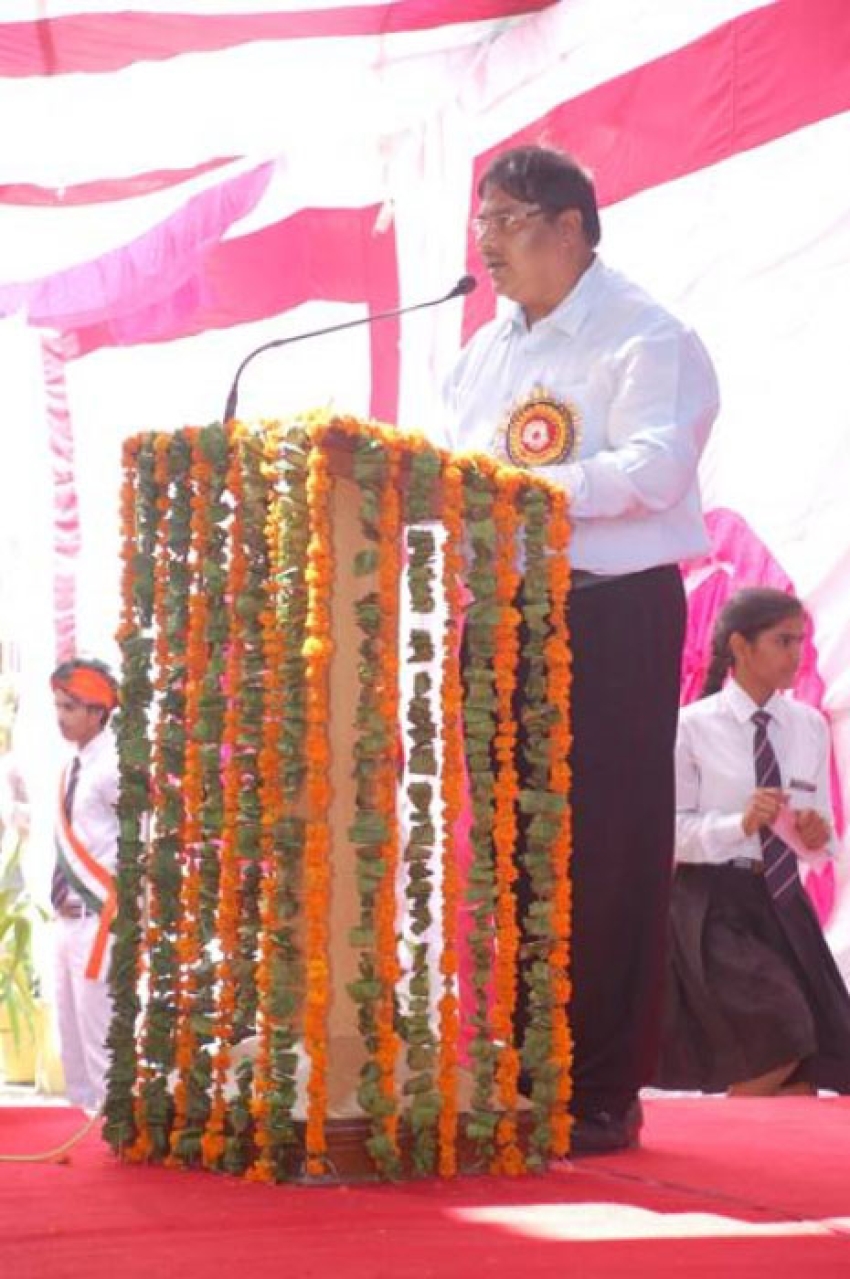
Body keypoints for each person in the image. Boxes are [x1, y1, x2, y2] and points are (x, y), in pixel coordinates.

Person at [444, 144, 720, 1152]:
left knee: (605, 842)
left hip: (608, 610)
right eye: (481, 220)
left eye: (506, 220)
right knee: (512, 842)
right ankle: (522, 1068)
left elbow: (654, 469)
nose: (486, 242)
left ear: (570, 227)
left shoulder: (646, 335)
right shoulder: (484, 352)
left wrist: (523, 489)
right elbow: (451, 465)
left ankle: (601, 1085)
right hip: (501, 615)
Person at [656, 587, 850, 1096]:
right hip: (711, 904)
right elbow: (669, 835)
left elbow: (819, 834)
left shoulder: (809, 726)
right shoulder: (691, 727)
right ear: (740, 646)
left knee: (810, 1064)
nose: (797, 654)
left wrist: (816, 836)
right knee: (781, 1033)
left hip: (783, 902)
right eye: (784, 641)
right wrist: (737, 824)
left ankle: (756, 1146)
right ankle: (723, 1136)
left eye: (801, 640)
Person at [49, 657, 120, 1113]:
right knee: (70, 1037)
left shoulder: (114, 766)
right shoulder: (72, 765)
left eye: (70, 707)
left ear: (98, 711)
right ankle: (81, 1124)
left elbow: (142, 833)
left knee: (99, 1037)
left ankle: (111, 1126)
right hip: (65, 916)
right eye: (58, 706)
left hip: (98, 917)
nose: (60, 717)